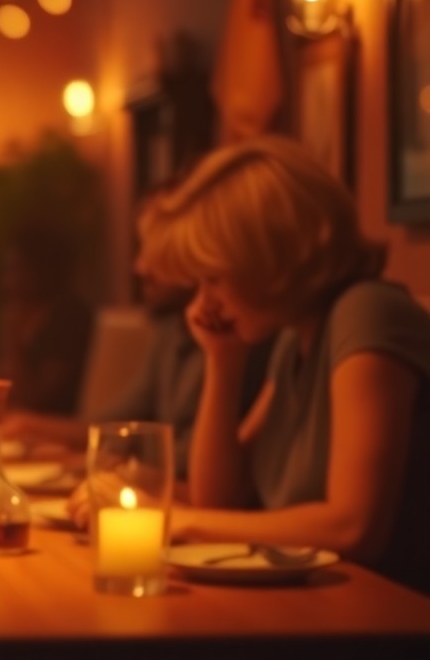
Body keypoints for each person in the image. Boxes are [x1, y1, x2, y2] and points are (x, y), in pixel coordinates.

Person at [82, 136, 430, 593]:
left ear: (268, 256)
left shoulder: (366, 313)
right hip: (322, 606)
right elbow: (221, 497)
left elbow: (353, 528)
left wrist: (176, 521)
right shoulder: (296, 340)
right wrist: (223, 362)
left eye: (213, 278)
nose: (203, 303)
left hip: (392, 619)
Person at [1, 221, 271, 480]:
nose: (139, 267)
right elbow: (116, 424)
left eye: (154, 250)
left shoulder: (246, 341)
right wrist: (31, 427)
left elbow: (202, 479)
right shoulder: (171, 334)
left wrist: (120, 467)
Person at [0, 224, 93, 416]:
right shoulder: (22, 313)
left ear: (41, 268)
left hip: (56, 430)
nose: (6, 280)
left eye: (15, 268)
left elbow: (37, 400)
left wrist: (11, 342)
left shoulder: (70, 317)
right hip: (27, 425)